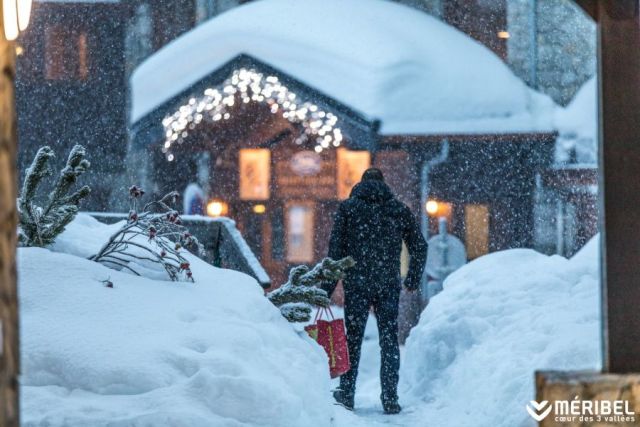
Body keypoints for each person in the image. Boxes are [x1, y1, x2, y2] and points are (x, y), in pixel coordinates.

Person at [325, 168, 427, 414]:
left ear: (360, 184)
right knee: (389, 340)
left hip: (356, 282)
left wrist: (326, 288)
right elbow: (419, 246)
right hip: (387, 283)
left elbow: (335, 250)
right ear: (384, 184)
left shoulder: (348, 209)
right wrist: (412, 279)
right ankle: (390, 397)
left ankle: (347, 394)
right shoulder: (397, 209)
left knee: (353, 339)